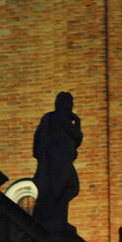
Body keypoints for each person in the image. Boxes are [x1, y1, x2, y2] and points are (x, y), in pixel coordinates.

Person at [32, 92, 83, 231]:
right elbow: (77, 136)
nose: (72, 105)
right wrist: (77, 122)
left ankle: (56, 217)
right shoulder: (59, 117)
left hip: (60, 160)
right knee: (60, 189)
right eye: (70, 102)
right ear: (63, 103)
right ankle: (52, 219)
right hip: (57, 160)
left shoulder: (53, 118)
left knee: (67, 188)